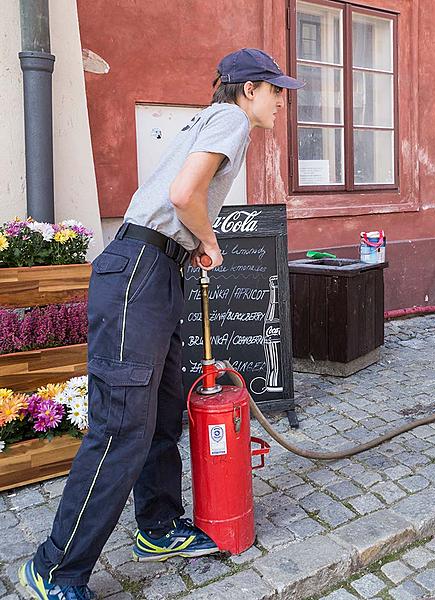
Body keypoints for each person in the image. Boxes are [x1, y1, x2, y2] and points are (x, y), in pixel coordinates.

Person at [18, 49, 303, 600]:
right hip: (140, 276)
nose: (280, 101)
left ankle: (157, 525)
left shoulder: (211, 118)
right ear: (248, 90)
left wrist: (188, 242)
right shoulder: (231, 119)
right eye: (274, 90)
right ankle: (54, 567)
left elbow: (175, 199)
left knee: (163, 412)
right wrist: (210, 241)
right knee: (121, 426)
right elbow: (181, 195)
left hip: (156, 270)